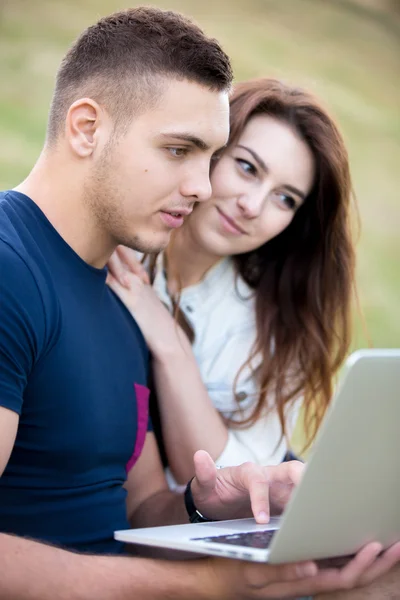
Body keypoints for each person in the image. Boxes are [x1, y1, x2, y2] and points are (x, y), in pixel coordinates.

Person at [0, 7, 399, 600]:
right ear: (86, 128)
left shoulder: (123, 295)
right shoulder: (13, 268)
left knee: (379, 561)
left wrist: (207, 503)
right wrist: (207, 584)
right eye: (179, 150)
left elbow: (138, 507)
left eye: (209, 157)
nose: (206, 189)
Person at [107, 77, 356, 488]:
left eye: (285, 198)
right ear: (211, 150)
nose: (252, 206)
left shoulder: (280, 324)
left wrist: (171, 347)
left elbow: (231, 485)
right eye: (246, 167)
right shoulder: (117, 249)